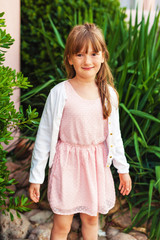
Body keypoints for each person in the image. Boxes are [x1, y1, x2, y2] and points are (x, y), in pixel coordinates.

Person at [29, 23, 132, 240]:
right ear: (69, 58)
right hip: (67, 165)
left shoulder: (108, 94)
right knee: (62, 222)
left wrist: (123, 169)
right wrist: (36, 177)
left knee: (91, 220)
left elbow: (115, 136)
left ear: (103, 56)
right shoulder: (59, 93)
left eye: (94, 53)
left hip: (94, 166)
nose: (87, 61)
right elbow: (44, 136)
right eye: (80, 54)